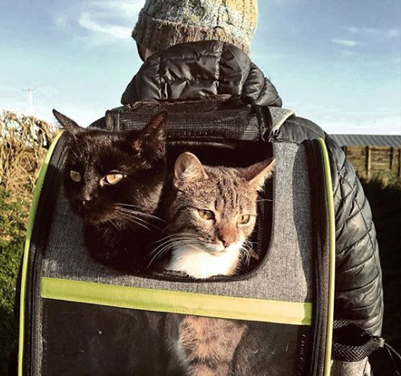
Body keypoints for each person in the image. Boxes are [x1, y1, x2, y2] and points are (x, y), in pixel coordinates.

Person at [88, 0, 383, 373]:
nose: (229, 236)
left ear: (147, 49)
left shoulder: (101, 141)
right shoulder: (307, 144)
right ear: (242, 48)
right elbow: (361, 306)